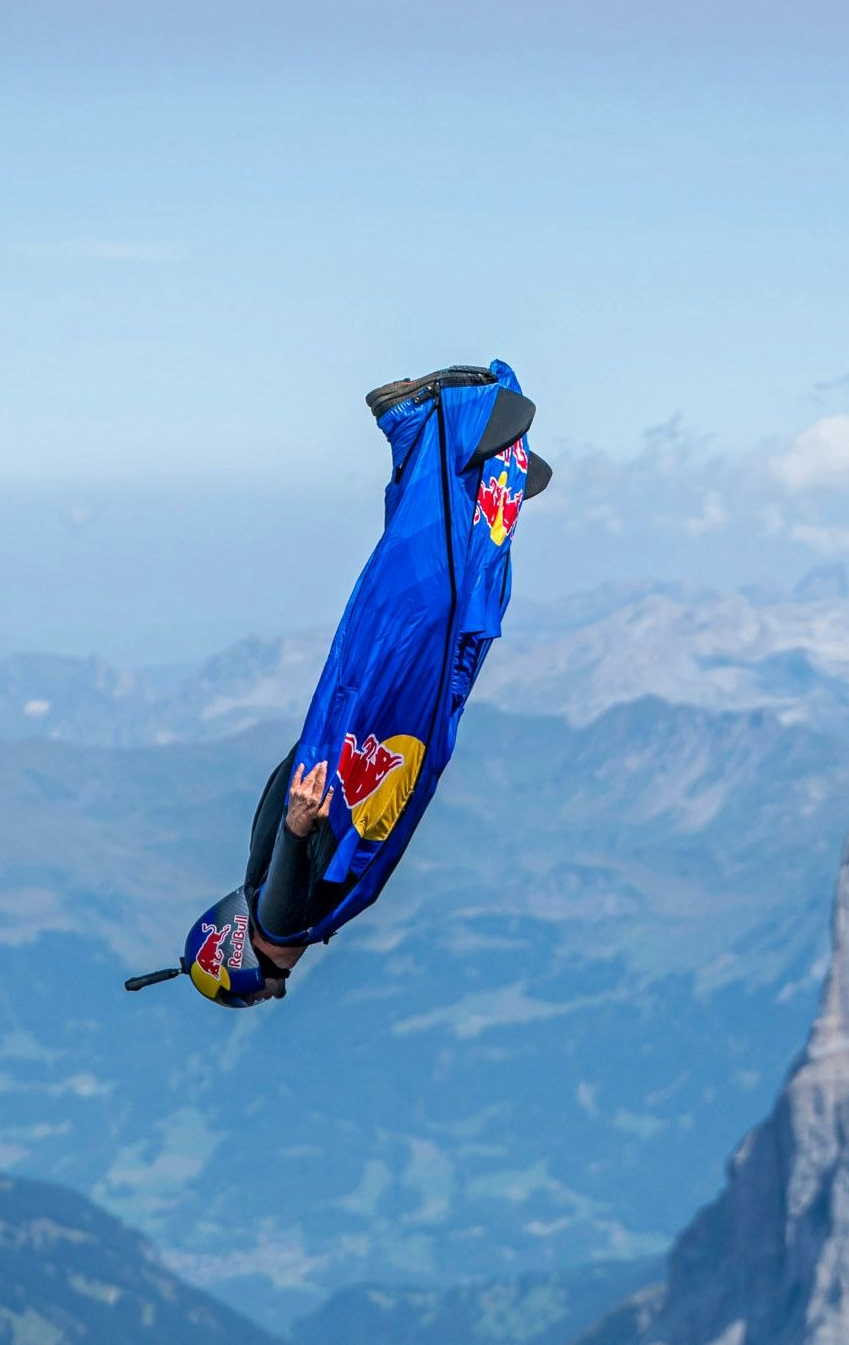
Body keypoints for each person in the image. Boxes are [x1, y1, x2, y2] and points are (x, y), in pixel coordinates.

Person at [129, 363, 548, 1008]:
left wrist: (300, 829)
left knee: (429, 609)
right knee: (452, 623)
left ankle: (435, 423)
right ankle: (476, 482)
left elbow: (282, 902)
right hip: (369, 731)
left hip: (384, 734)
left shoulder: (281, 917)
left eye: (275, 981)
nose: (283, 984)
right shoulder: (259, 864)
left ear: (247, 957)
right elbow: (282, 792)